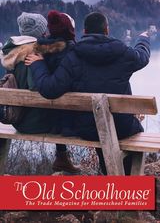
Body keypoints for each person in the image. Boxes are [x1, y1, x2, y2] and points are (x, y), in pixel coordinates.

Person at [25, 12, 150, 174]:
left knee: (100, 131)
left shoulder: (73, 56)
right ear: (107, 30)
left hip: (86, 128)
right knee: (131, 133)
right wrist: (143, 39)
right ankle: (123, 185)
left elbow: (50, 89)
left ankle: (112, 179)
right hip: (122, 127)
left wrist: (38, 64)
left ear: (84, 32)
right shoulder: (124, 53)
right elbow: (143, 56)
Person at [0, 11, 79, 173]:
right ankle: (62, 158)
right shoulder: (33, 54)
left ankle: (63, 159)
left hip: (18, 118)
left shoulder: (12, 51)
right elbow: (37, 88)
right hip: (35, 122)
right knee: (60, 109)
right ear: (41, 32)